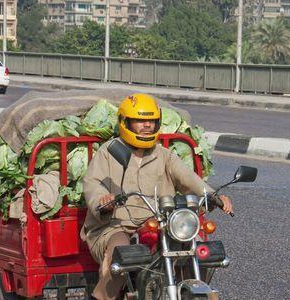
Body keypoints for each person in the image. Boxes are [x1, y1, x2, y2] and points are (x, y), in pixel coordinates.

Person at [80, 93, 233, 300]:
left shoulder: (164, 155)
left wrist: (214, 196)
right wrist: (102, 200)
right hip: (114, 225)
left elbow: (189, 178)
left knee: (194, 246)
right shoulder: (109, 152)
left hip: (158, 222)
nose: (147, 126)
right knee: (120, 255)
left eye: (151, 121)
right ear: (125, 122)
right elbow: (92, 183)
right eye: (140, 121)